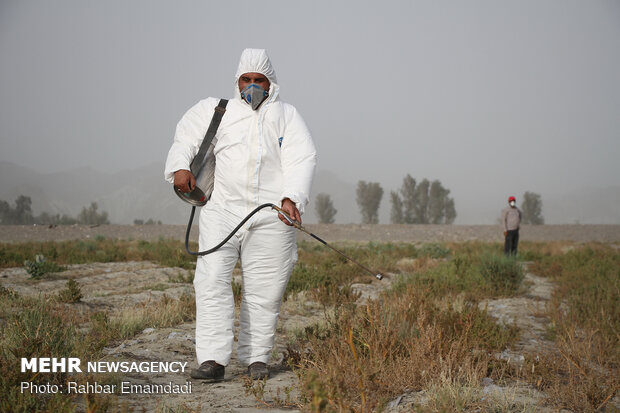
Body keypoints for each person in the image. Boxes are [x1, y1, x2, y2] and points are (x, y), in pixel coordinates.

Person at [164, 49, 316, 381]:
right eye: (245, 80)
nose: (251, 86)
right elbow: (185, 138)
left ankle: (256, 358)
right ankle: (212, 361)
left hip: (271, 214)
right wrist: (178, 167)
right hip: (222, 211)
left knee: (265, 289)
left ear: (270, 82)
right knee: (211, 282)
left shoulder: (287, 116)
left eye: (258, 80)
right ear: (237, 82)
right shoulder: (216, 109)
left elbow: (301, 159)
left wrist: (293, 198)